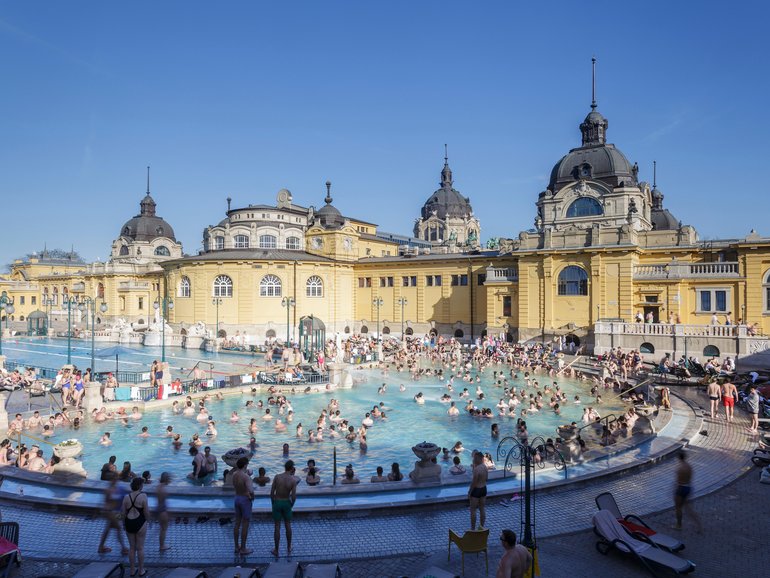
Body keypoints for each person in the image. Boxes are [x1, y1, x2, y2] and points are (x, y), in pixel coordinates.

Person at [122, 477, 149, 577]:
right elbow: (146, 512)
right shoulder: (143, 496)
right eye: (142, 485)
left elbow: (122, 513)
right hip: (140, 523)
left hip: (129, 522)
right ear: (139, 486)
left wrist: (122, 524)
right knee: (140, 548)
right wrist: (149, 521)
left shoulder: (126, 497)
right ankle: (141, 570)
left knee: (132, 548)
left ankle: (132, 571)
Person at [270, 460, 298, 556]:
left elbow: (272, 492)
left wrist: (273, 503)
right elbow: (293, 497)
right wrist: (291, 505)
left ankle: (276, 550)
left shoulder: (277, 477)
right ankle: (289, 547)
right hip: (286, 503)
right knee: (288, 525)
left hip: (277, 502)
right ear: (291, 468)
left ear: (285, 467)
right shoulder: (293, 480)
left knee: (277, 526)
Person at [97, 474, 128, 555]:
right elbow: (106, 503)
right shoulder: (108, 490)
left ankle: (101, 547)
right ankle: (123, 548)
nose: (116, 480)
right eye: (114, 478)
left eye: (116, 478)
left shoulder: (118, 489)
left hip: (115, 513)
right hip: (109, 512)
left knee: (108, 529)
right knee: (118, 528)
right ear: (111, 480)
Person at [232, 456, 254, 555]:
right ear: (245, 465)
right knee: (245, 524)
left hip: (237, 498)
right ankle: (243, 548)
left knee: (237, 523)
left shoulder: (234, 474)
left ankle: (237, 547)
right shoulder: (246, 477)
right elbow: (251, 490)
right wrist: (252, 497)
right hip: (245, 500)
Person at [674, 452, 701, 531]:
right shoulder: (689, 466)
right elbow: (690, 478)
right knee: (689, 509)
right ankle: (699, 525)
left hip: (681, 488)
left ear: (679, 458)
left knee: (678, 508)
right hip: (688, 488)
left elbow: (678, 481)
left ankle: (679, 525)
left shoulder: (680, 468)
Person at [468, 450, 488, 529]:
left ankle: (473, 529)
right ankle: (481, 527)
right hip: (484, 488)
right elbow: (486, 479)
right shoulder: (485, 467)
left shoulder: (477, 469)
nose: (474, 460)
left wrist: (469, 492)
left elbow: (474, 483)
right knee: (482, 508)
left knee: (473, 510)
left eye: (475, 458)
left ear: (478, 459)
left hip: (476, 490)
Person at [157, 472, 171, 551]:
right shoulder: (163, 490)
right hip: (163, 511)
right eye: (169, 478)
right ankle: (162, 546)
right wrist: (167, 514)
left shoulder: (158, 487)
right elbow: (163, 503)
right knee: (163, 530)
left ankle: (161, 545)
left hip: (160, 511)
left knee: (162, 529)